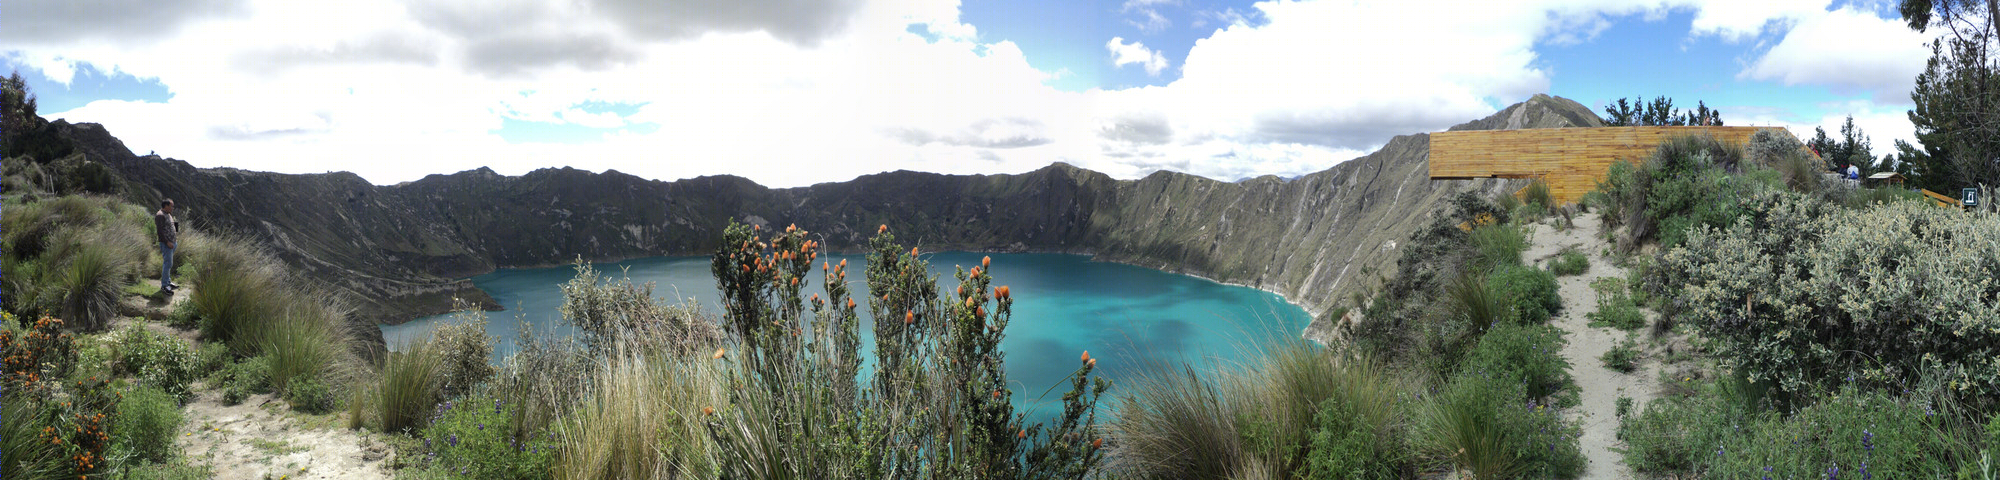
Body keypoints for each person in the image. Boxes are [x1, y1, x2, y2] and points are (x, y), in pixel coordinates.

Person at [154, 199, 181, 294]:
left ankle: (168, 282)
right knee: (168, 264)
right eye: (171, 206)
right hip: (167, 244)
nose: (173, 208)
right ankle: (164, 286)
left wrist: (176, 233)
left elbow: (172, 224)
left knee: (169, 264)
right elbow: (160, 232)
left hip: (173, 243)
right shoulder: (160, 215)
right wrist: (167, 242)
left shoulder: (168, 214)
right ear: (166, 205)